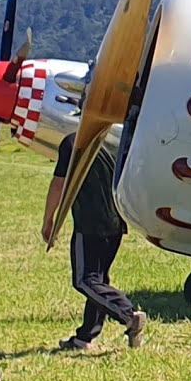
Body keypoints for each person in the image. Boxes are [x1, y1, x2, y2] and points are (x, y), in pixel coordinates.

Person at [47, 130, 146, 351]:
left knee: (85, 280)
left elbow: (59, 183)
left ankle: (129, 315)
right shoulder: (117, 139)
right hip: (117, 221)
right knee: (99, 281)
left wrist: (49, 220)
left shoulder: (74, 141)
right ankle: (85, 337)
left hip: (90, 223)